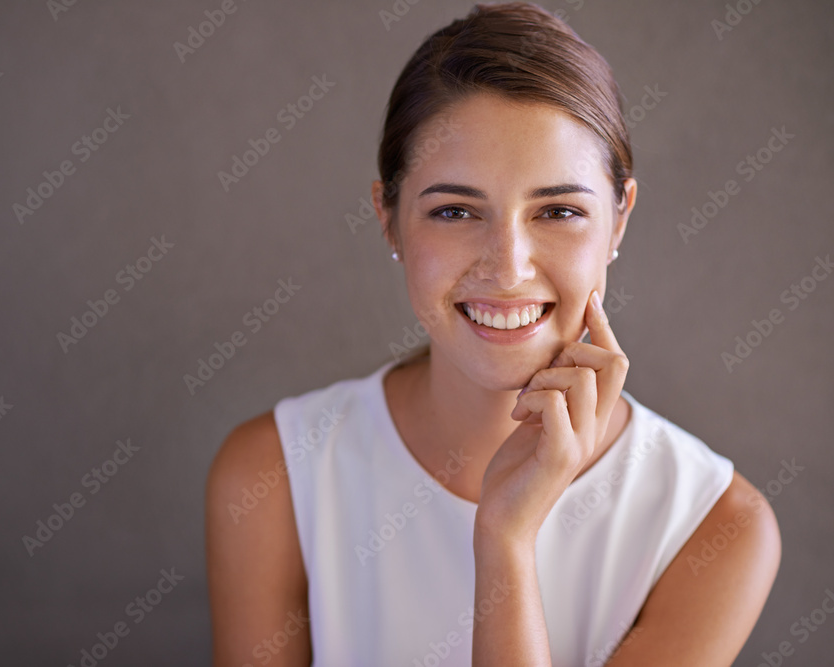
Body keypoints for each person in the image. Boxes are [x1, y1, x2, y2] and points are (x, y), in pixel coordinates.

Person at [206, 3, 781, 665]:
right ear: (388, 218)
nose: (508, 268)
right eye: (454, 210)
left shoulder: (715, 526)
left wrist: (507, 541)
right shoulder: (272, 474)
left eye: (559, 210)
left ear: (619, 221)